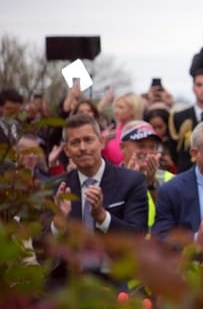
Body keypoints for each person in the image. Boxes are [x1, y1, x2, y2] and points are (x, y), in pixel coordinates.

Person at [41, 114, 149, 279]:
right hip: (68, 281)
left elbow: (137, 237)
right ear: (67, 150)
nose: (83, 147)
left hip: (116, 278)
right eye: (75, 143)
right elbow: (40, 246)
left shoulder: (131, 181)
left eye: (88, 140)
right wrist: (58, 222)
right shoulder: (55, 188)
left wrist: (102, 217)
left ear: (101, 142)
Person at [119, 120, 174, 229]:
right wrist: (129, 182)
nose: (147, 152)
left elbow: (173, 216)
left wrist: (151, 185)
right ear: (122, 147)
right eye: (141, 146)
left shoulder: (170, 179)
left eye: (151, 147)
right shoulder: (110, 177)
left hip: (157, 243)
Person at [101, 93, 144, 167]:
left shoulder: (142, 131)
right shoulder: (110, 132)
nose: (116, 111)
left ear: (133, 110)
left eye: (120, 107)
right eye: (115, 107)